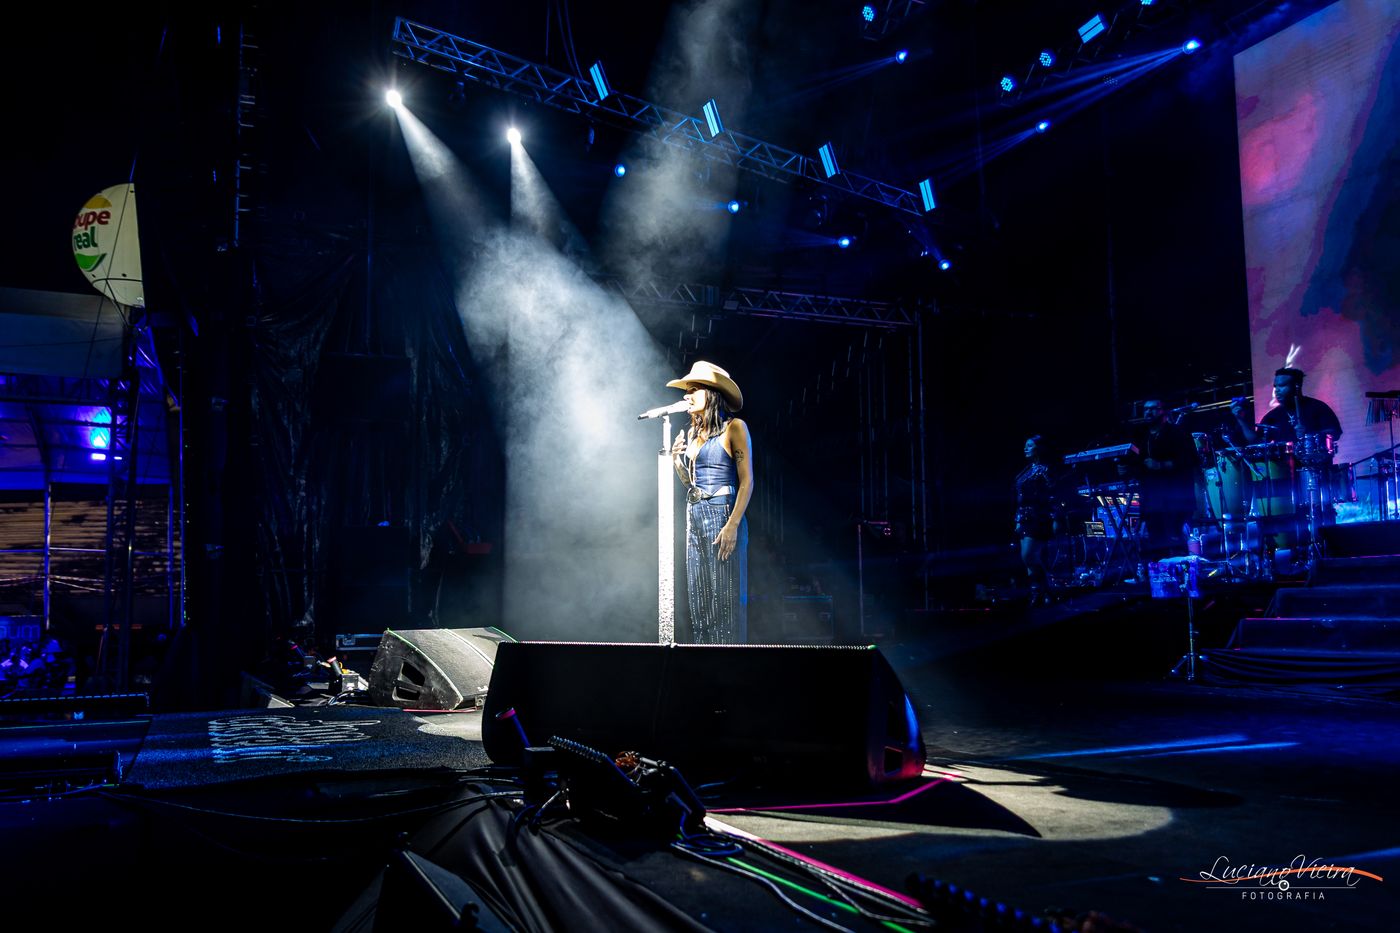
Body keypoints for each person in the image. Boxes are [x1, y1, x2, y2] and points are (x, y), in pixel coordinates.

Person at [668, 361, 752, 644]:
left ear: (711, 393)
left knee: (724, 600)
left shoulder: (734, 428)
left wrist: (733, 525)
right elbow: (691, 485)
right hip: (694, 513)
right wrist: (677, 461)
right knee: (699, 597)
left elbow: (747, 481)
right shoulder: (694, 434)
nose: (687, 396)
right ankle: (703, 659)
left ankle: (727, 661)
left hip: (722, 512)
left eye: (693, 390)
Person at [1130, 400, 1198, 558]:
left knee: (1176, 542)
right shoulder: (1143, 437)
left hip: (1176, 499)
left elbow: (1191, 460)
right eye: (1145, 409)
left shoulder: (1178, 433)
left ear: (1164, 412)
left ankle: (1181, 571)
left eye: (1153, 409)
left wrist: (1161, 465)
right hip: (1152, 501)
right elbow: (1140, 465)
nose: (1148, 412)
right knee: (1156, 544)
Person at [1231, 367, 1342, 445]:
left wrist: (1310, 434)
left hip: (1315, 466)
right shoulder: (1273, 416)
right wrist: (1241, 420)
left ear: (1297, 386)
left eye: (1282, 386)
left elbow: (1335, 433)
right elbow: (1257, 441)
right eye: (1276, 386)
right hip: (1285, 468)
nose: (1277, 391)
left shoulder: (1317, 407)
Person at [1014, 436, 1057, 606]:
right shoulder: (1027, 469)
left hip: (1038, 517)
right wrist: (1018, 519)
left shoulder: (1046, 469)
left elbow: (1053, 493)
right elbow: (1020, 497)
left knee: (1029, 556)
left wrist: (1056, 517)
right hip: (1024, 517)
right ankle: (1037, 593)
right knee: (1027, 560)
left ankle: (1048, 589)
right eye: (1025, 445)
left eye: (1030, 445)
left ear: (1039, 448)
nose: (1025, 448)